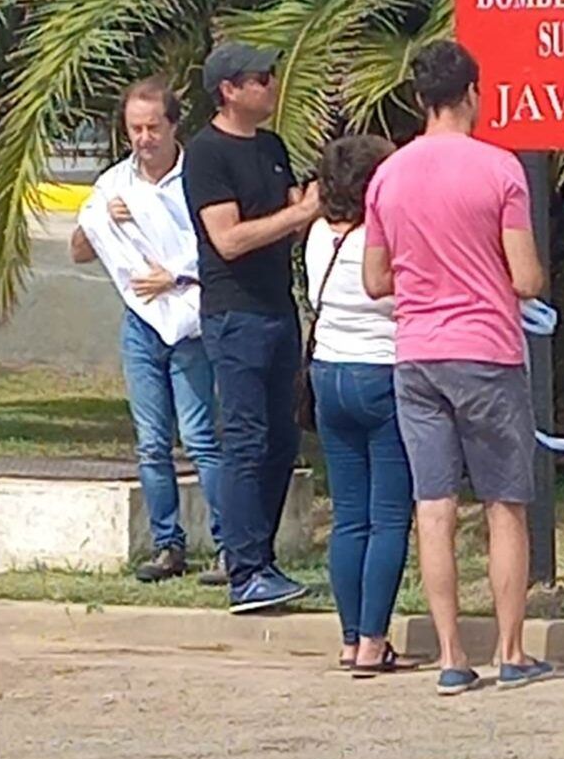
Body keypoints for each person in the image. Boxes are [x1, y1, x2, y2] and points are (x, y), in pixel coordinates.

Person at [362, 41, 552, 695]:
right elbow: (526, 276)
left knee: (433, 507)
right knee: (505, 503)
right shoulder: (500, 171)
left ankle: (450, 654)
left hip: (416, 354)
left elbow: (373, 278)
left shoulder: (387, 176)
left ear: (419, 100)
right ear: (474, 92)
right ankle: (511, 649)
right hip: (487, 352)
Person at [72, 77, 226, 585]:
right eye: (134, 129)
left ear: (174, 125)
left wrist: (177, 272)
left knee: (201, 437)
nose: (144, 139)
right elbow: (80, 246)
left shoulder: (197, 178)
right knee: (152, 442)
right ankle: (167, 545)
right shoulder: (116, 182)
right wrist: (105, 221)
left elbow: (218, 245)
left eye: (153, 127)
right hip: (142, 323)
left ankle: (229, 545)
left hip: (188, 321)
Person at [185, 41, 321, 614]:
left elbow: (283, 221)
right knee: (245, 440)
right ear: (229, 90)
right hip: (234, 312)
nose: (272, 85)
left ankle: (260, 559)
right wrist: (298, 214)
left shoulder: (271, 145)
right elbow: (230, 238)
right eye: (261, 78)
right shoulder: (207, 154)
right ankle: (243, 568)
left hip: (276, 308)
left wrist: (306, 205)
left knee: (281, 440)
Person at [306, 135, 418, 677]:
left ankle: (351, 637)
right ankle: (375, 638)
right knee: (390, 516)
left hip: (328, 372)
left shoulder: (315, 235)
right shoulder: (384, 235)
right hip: (383, 371)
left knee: (349, 516)